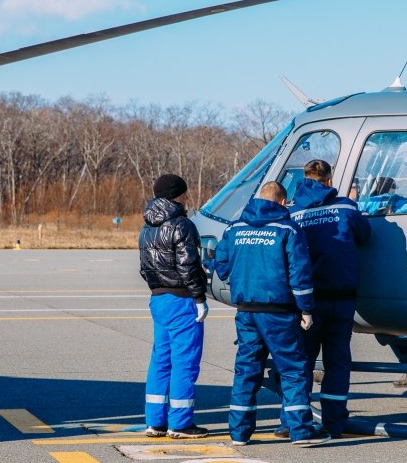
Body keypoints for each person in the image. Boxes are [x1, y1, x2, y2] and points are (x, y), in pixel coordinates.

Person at [214, 181, 331, 447]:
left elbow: (220, 265)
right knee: (293, 370)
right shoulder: (287, 229)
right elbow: (299, 273)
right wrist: (306, 309)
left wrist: (242, 278)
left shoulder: (235, 228)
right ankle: (301, 431)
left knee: (246, 370)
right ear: (282, 202)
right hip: (278, 313)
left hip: (246, 311)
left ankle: (239, 433)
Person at [279, 159, 371, 438]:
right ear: (329, 180)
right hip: (341, 297)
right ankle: (334, 422)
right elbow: (365, 236)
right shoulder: (345, 207)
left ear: (304, 178)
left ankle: (292, 421)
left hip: (307, 300)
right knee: (337, 361)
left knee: (302, 361)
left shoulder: (293, 212)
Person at [139, 173, 209, 439]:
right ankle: (180, 423)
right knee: (185, 362)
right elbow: (188, 265)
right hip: (182, 300)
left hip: (158, 299)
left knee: (161, 360)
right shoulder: (182, 224)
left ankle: (154, 421)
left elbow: (145, 267)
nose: (187, 198)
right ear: (176, 195)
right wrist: (199, 298)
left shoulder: (146, 227)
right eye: (184, 193)